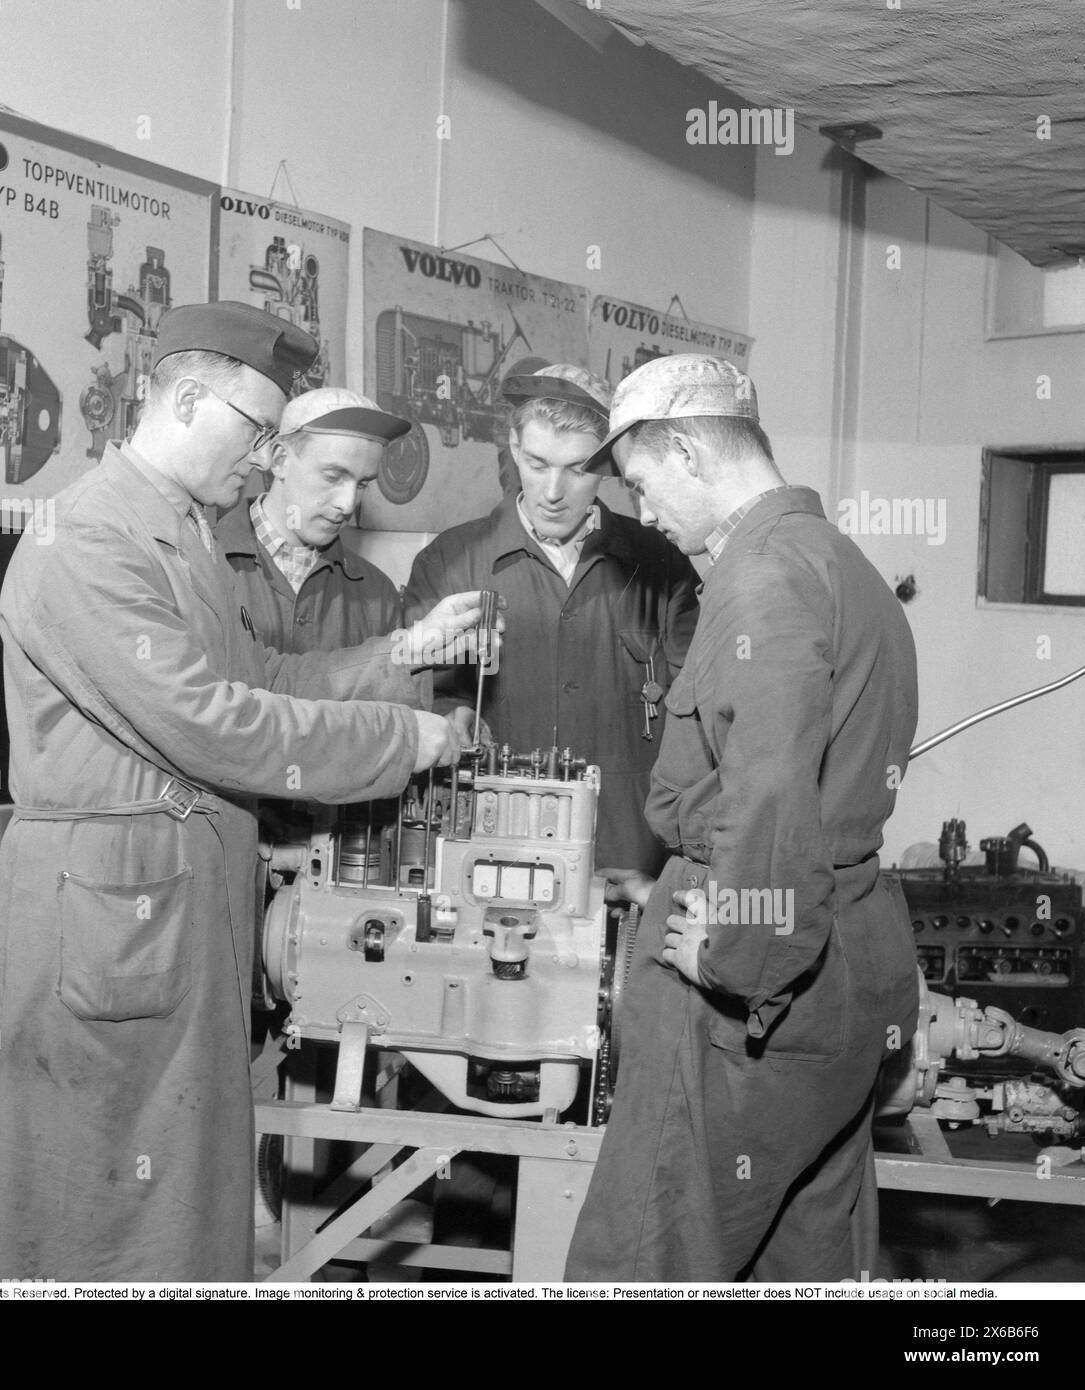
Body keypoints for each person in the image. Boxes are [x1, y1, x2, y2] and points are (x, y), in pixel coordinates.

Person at [0, 301, 493, 1282]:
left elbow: (259, 680)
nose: (261, 460)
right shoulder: (89, 537)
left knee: (178, 1212)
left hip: (169, 917)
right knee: (94, 1216)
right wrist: (399, 739)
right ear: (187, 399)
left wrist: (399, 654)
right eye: (256, 432)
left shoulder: (181, 536)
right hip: (108, 931)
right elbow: (211, 721)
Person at [566, 355, 920, 1281]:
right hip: (853, 959)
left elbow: (768, 806)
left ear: (685, 449)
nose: (642, 513)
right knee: (801, 1254)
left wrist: (734, 949)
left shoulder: (759, 582)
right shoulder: (844, 563)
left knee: (648, 1254)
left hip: (756, 982)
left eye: (642, 483)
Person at [403, 363, 699, 876]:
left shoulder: (662, 562)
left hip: (628, 859)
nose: (553, 491)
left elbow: (698, 719)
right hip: (492, 854)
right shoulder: (448, 563)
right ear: (514, 448)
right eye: (537, 463)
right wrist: (452, 716)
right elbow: (416, 702)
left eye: (578, 469)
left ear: (608, 465)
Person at [216, 386, 410, 655]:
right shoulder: (204, 560)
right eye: (333, 476)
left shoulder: (378, 596)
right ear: (281, 460)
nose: (347, 503)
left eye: (363, 484)